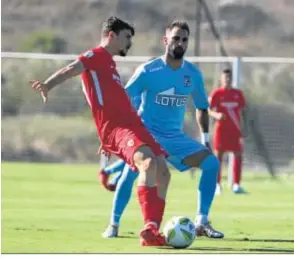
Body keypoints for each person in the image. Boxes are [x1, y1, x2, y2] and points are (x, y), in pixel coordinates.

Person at [29, 16, 171, 247]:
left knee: (164, 172)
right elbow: (70, 69)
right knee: (147, 163)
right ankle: (147, 227)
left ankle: (153, 229)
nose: (129, 43)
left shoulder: (110, 63)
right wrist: (47, 85)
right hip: (119, 128)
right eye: (126, 37)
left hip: (134, 125)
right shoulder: (95, 55)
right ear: (112, 35)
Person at [99, 20, 224, 239]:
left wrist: (205, 139)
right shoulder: (148, 70)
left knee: (211, 163)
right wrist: (114, 134)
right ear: (165, 40)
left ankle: (201, 221)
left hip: (175, 137)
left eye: (184, 39)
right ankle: (114, 224)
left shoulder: (193, 74)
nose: (180, 43)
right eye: (176, 38)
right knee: (129, 175)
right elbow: (122, 100)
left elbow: (202, 107)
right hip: (146, 135)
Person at [209, 68, 247, 195]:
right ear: (221, 79)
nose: (227, 80)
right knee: (218, 156)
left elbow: (242, 112)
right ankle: (217, 185)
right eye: (225, 78)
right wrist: (217, 115)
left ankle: (236, 184)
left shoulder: (238, 94)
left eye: (229, 78)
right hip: (221, 130)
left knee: (238, 154)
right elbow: (207, 110)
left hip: (235, 130)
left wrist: (243, 129)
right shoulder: (216, 94)